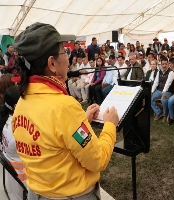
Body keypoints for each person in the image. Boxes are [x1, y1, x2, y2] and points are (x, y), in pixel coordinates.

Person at [12, 22, 119, 199]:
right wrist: (109, 126)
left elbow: (52, 139)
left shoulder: (22, 101)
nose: (68, 59)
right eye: (65, 52)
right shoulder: (64, 107)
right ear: (52, 63)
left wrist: (81, 121)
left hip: (36, 193)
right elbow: (97, 159)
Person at [2, 85, 26, 200]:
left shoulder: (8, 122)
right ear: (16, 106)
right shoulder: (18, 132)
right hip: (25, 181)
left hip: (15, 182)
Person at [151, 57, 174, 121]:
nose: (164, 65)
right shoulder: (159, 72)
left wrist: (164, 92)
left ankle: (165, 114)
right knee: (150, 98)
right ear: (161, 65)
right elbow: (156, 82)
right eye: (163, 64)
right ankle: (158, 112)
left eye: (165, 64)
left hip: (168, 91)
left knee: (163, 99)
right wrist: (152, 91)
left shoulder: (171, 73)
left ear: (168, 64)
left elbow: (168, 83)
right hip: (159, 90)